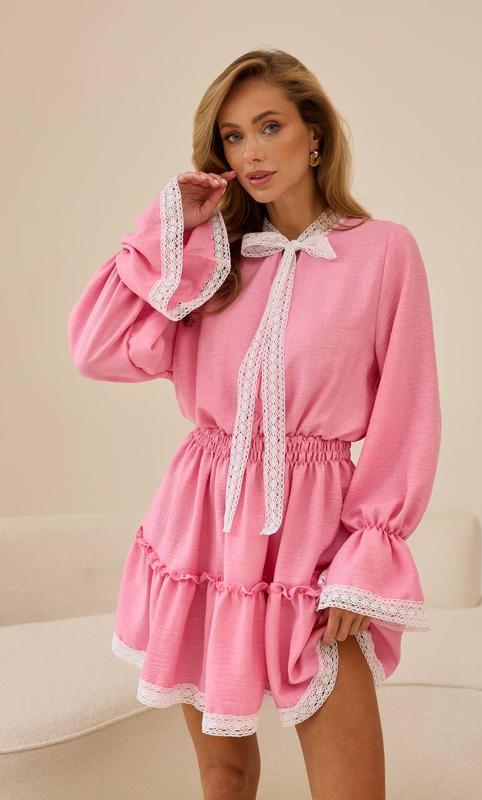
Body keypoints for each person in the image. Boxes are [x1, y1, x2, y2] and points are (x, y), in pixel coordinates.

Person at [67, 48, 441, 800]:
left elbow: (407, 413)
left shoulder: (382, 252)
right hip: (204, 529)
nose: (252, 152)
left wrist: (365, 560)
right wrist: (166, 229)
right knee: (225, 775)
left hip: (317, 541)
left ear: (314, 134)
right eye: (233, 137)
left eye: (270, 126)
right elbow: (98, 349)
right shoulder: (211, 261)